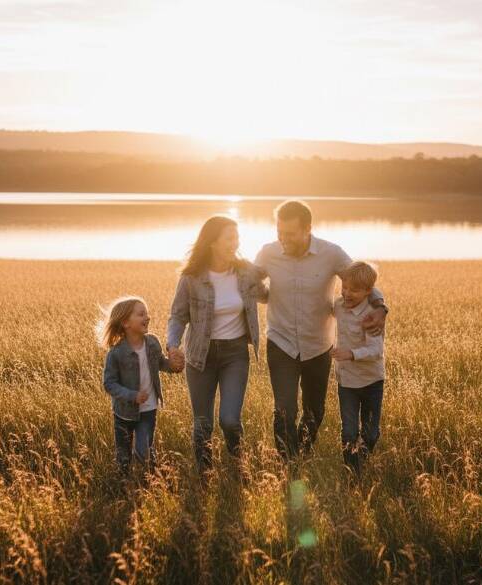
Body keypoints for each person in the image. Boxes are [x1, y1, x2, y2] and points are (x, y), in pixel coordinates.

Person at [254, 200, 388, 460]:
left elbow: (363, 280)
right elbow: (251, 283)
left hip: (318, 345)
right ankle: (288, 464)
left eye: (290, 234)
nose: (283, 239)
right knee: (284, 409)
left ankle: (303, 453)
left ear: (308, 229)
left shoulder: (331, 253)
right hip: (280, 343)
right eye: (279, 232)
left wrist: (381, 306)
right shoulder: (267, 253)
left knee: (314, 411)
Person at [167, 216, 268, 473]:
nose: (235, 243)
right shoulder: (192, 277)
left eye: (237, 237)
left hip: (235, 354)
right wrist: (172, 344)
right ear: (212, 242)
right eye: (229, 238)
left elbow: (268, 294)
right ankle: (205, 475)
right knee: (202, 424)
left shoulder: (246, 271)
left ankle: (238, 468)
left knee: (230, 420)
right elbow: (178, 315)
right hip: (200, 356)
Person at [99, 296, 183, 476]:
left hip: (149, 409)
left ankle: (151, 482)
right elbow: (109, 383)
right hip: (124, 413)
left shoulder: (152, 343)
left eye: (147, 313)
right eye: (141, 314)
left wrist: (174, 366)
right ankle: (124, 487)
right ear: (125, 322)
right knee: (123, 456)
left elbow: (161, 363)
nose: (147, 317)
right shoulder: (116, 353)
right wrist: (132, 395)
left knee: (144, 449)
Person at [330, 262, 385, 474]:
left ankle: (360, 459)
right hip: (347, 383)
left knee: (371, 433)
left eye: (354, 290)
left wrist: (351, 354)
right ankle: (352, 474)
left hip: (372, 381)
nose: (347, 293)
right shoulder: (338, 306)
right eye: (344, 287)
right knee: (349, 431)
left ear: (368, 291)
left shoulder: (373, 314)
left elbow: (376, 349)